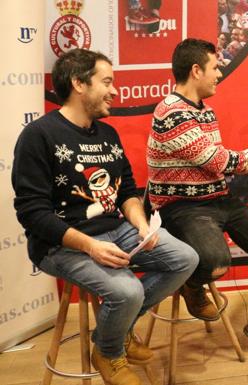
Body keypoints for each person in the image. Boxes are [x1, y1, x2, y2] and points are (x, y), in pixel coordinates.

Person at [12, 49, 199, 385]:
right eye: (107, 82)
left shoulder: (107, 135)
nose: (115, 91)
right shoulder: (39, 135)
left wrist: (141, 225)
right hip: (61, 242)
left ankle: (117, 330)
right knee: (127, 292)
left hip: (117, 228)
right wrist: (90, 247)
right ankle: (109, 352)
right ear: (79, 84)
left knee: (185, 258)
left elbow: (126, 190)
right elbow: (32, 212)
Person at [146, 38, 248, 359]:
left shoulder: (206, 112)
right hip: (181, 207)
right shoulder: (170, 111)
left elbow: (219, 165)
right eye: (215, 67)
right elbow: (217, 161)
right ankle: (190, 285)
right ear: (196, 70)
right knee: (215, 263)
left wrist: (244, 161)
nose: (220, 74)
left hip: (217, 199)